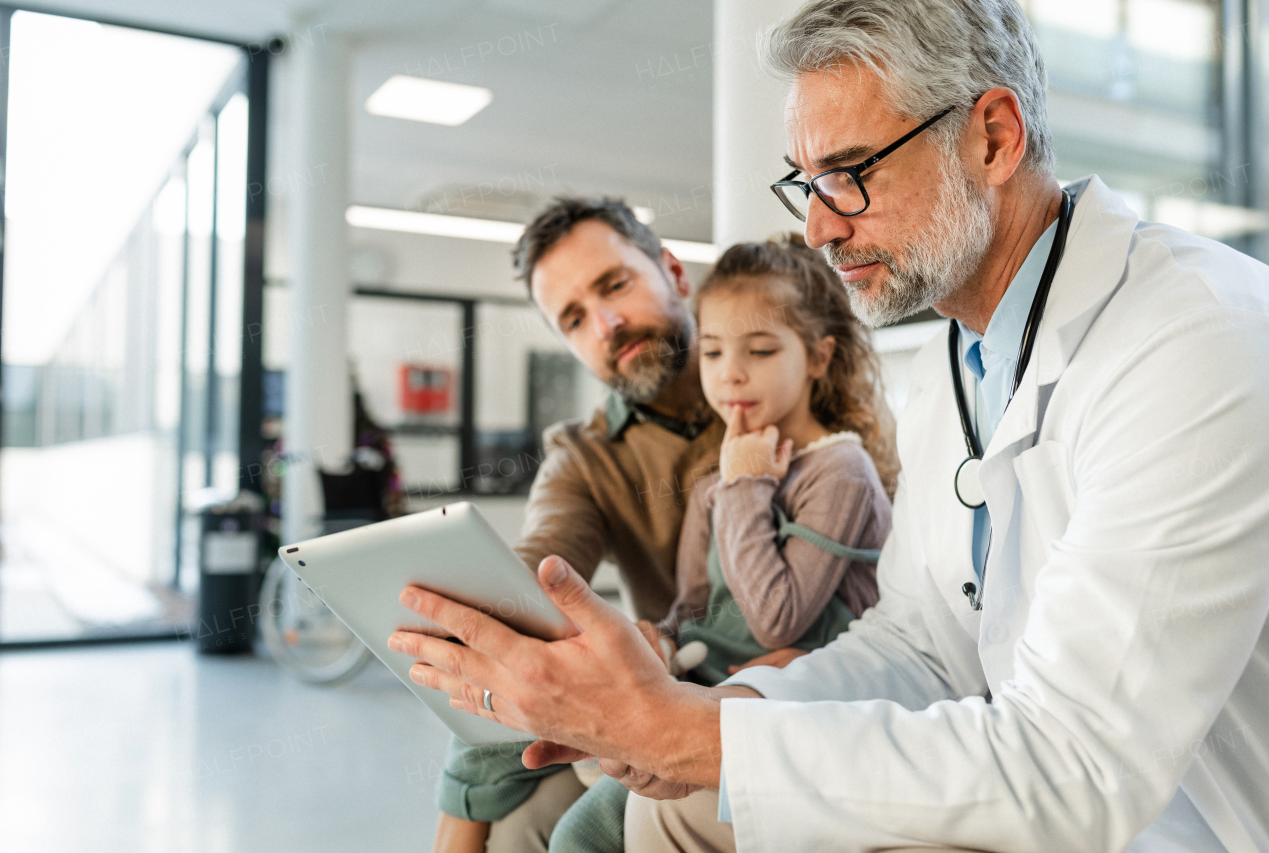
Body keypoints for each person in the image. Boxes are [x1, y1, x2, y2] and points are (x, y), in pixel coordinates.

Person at [392, 1, 1269, 850]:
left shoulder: (1194, 336)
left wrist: (688, 736)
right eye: (806, 184)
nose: (815, 227)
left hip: (1171, 825)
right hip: (1036, 790)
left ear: (994, 137)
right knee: (668, 811)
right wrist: (700, 718)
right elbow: (919, 644)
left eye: (850, 174)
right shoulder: (958, 363)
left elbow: (1075, 769)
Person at [548, 235, 896, 853]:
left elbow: (774, 621)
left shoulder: (838, 471)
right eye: (711, 352)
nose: (731, 372)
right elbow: (697, 607)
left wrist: (747, 485)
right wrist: (656, 641)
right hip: (706, 691)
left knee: (587, 830)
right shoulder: (718, 479)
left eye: (761, 350)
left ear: (819, 357)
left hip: (799, 709)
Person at [430, 197, 729, 853]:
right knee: (516, 825)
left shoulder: (772, 383)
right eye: (574, 318)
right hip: (659, 699)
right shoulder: (584, 453)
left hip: (780, 691)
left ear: (674, 272)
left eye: (614, 284)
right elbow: (537, 569)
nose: (608, 323)